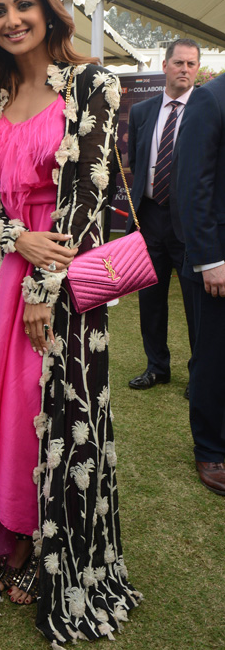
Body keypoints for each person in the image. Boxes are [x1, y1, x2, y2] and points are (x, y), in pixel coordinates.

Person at [0, 0, 141, 649]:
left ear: (50, 8)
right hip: (7, 284)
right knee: (8, 416)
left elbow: (87, 205)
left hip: (60, 292)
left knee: (55, 419)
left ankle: (60, 557)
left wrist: (42, 287)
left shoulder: (91, 82)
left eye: (23, 4)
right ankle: (19, 543)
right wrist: (14, 238)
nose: (11, 19)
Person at [126, 39, 200, 393]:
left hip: (190, 222)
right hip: (151, 219)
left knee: (196, 304)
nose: (185, 69)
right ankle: (157, 367)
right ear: (165, 65)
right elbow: (137, 165)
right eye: (179, 63)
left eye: (192, 64)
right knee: (150, 301)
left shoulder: (208, 109)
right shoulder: (142, 113)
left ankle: (200, 373)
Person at [173, 71, 225, 496]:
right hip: (217, 258)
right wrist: (209, 259)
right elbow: (192, 185)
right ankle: (210, 449)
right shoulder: (210, 98)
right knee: (213, 354)